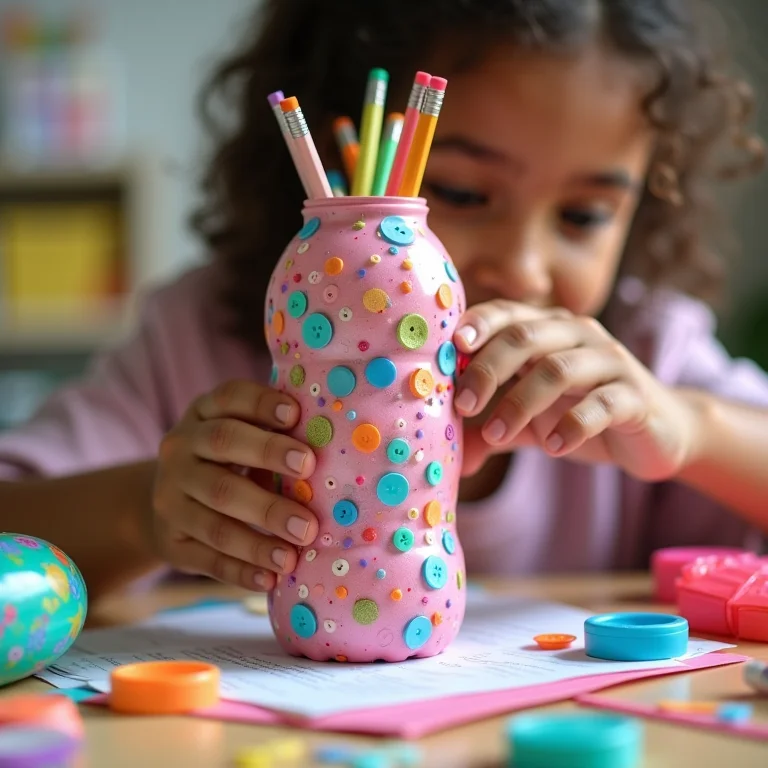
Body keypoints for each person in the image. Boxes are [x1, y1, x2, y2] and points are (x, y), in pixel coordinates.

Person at [1, 0, 767, 602]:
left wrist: (692, 430)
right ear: (336, 172)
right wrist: (144, 512)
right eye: (464, 193)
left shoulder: (642, 357)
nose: (524, 269)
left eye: (584, 216)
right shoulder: (199, 337)